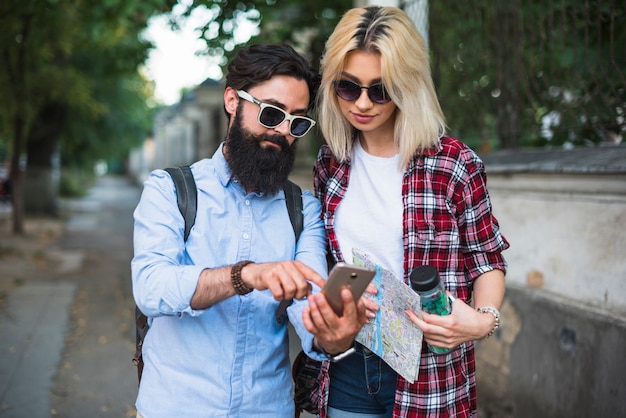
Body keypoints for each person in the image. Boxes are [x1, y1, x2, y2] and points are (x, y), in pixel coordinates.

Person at [131, 44, 366, 418]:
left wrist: (332, 334)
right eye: (271, 113)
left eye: (297, 122)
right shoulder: (170, 190)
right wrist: (246, 275)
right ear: (231, 100)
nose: (282, 131)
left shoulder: (302, 209)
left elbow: (312, 307)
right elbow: (151, 288)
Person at [310, 6, 510, 418]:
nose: (362, 103)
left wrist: (483, 320)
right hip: (348, 366)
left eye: (380, 90)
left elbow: (487, 259)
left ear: (407, 85)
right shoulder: (332, 162)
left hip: (431, 377)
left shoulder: (453, 163)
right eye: (349, 88)